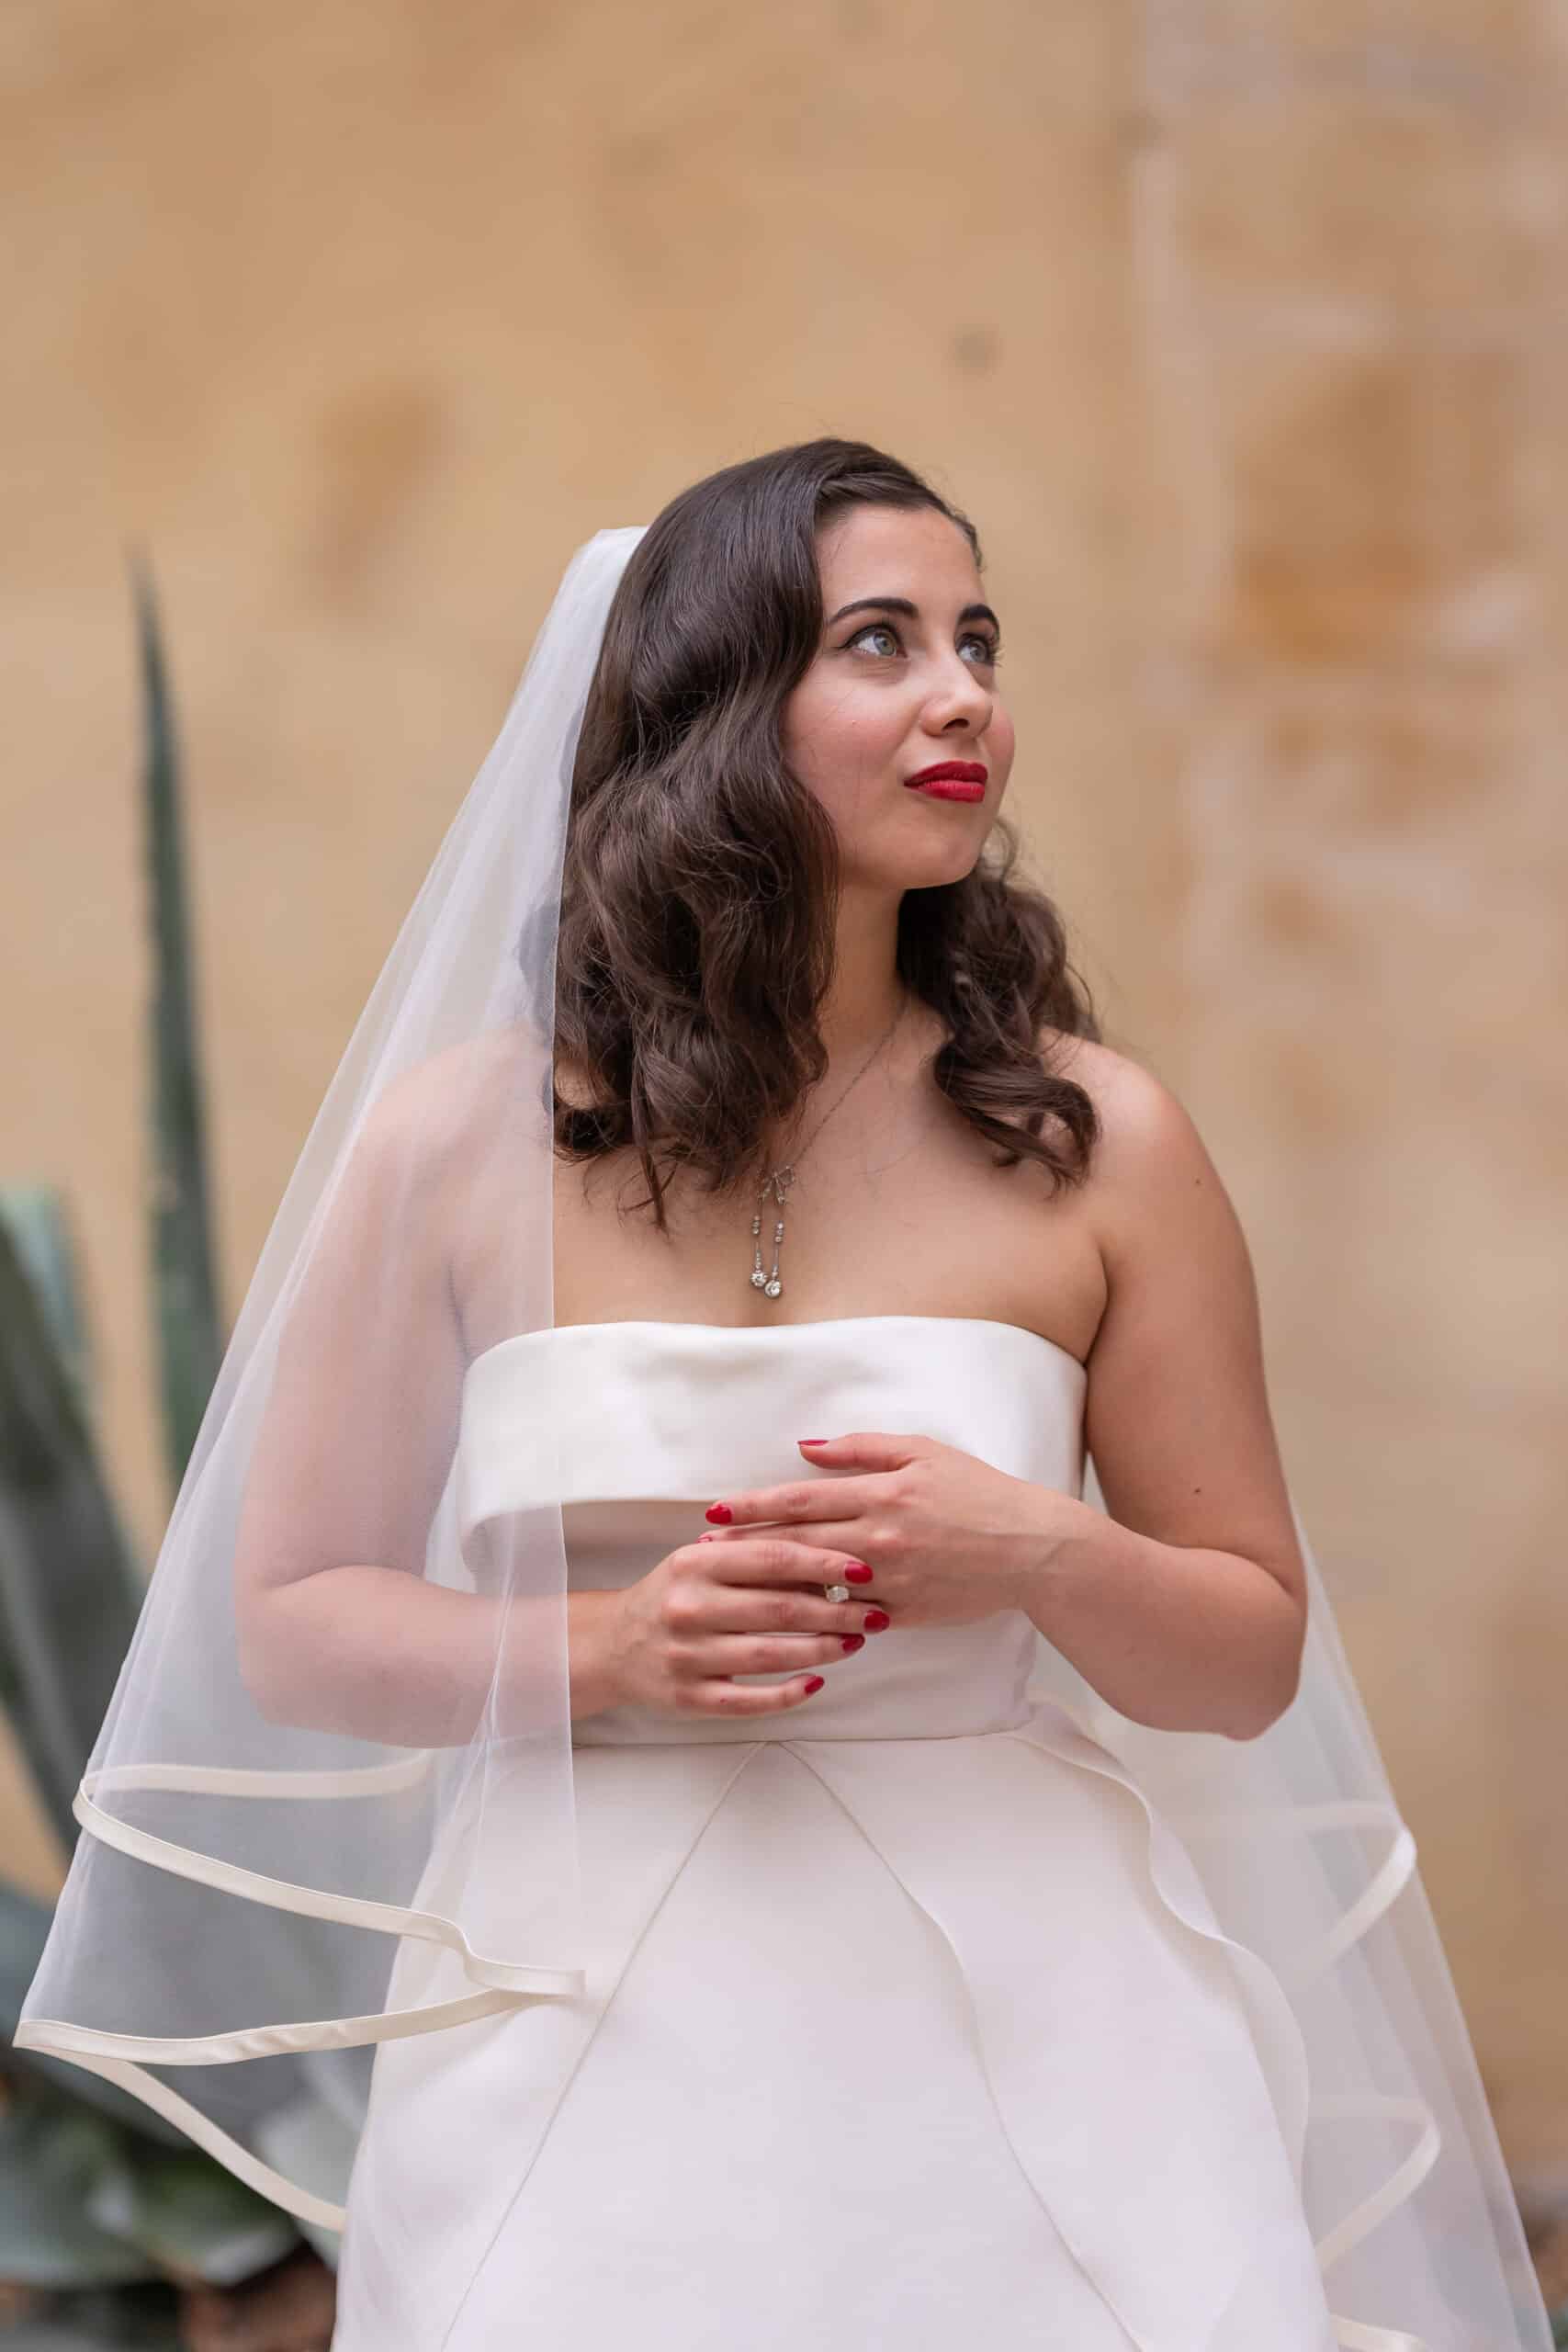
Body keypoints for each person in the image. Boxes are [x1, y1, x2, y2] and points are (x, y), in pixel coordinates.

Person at [17, 441, 1554, 2352]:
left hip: (1036, 2019)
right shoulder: (457, 1146)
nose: (962, 694)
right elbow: (296, 1621)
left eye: (978, 640)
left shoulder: (1099, 1140)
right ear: (716, 706)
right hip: (586, 2022)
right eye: (880, 642)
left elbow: (1243, 1654)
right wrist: (611, 1648)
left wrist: (1037, 1550)